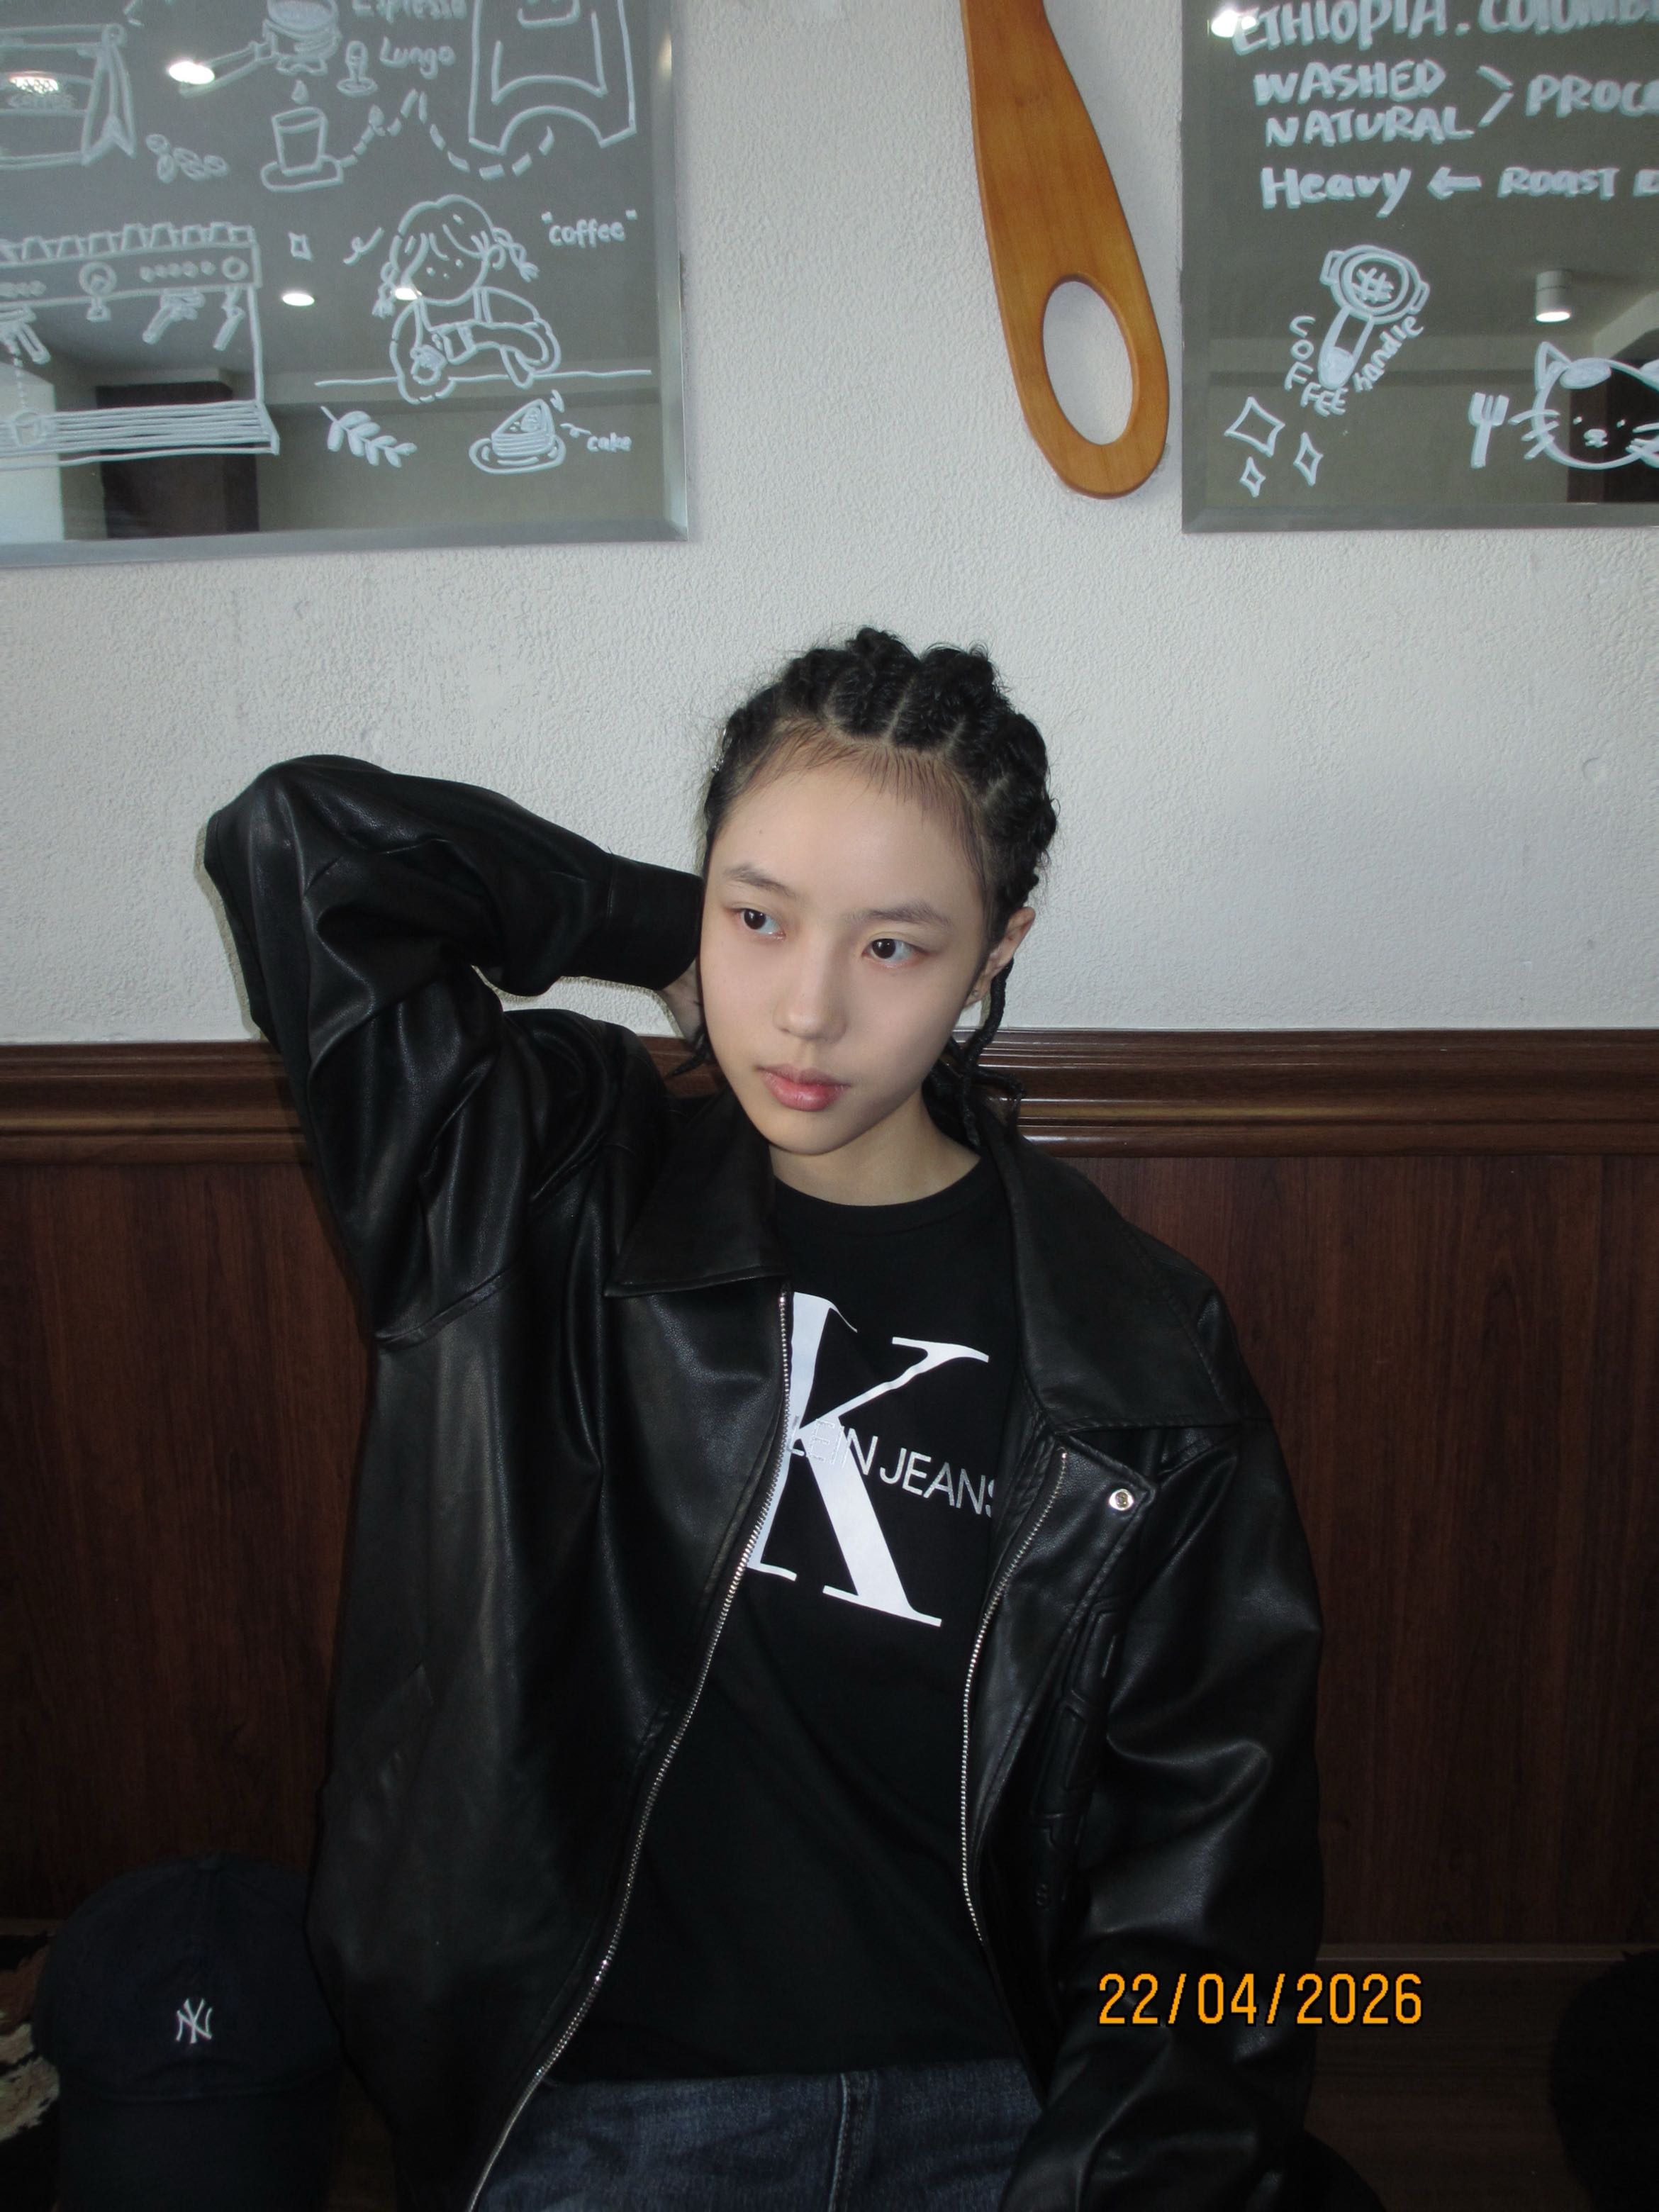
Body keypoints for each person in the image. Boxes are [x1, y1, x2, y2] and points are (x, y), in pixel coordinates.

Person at [204, 628, 1382, 2212]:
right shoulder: (535, 1192)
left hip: (1001, 2110)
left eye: (893, 947)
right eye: (760, 917)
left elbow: (1210, 1880)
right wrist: (660, 928)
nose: (808, 1012)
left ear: (997, 952)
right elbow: (303, 845)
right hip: (604, 2108)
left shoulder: (1138, 1351)